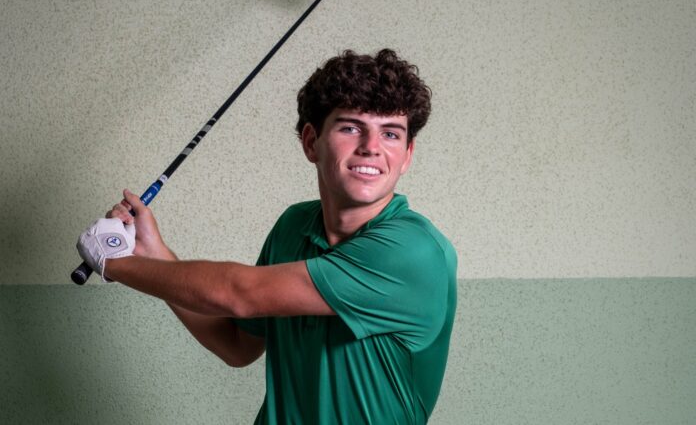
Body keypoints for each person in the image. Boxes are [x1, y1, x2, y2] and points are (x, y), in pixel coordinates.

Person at [77, 48, 458, 424]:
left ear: (407, 155)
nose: (372, 147)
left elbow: (240, 294)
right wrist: (153, 253)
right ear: (311, 142)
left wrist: (116, 263)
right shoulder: (294, 225)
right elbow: (237, 346)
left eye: (390, 133)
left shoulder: (413, 252)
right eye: (351, 127)